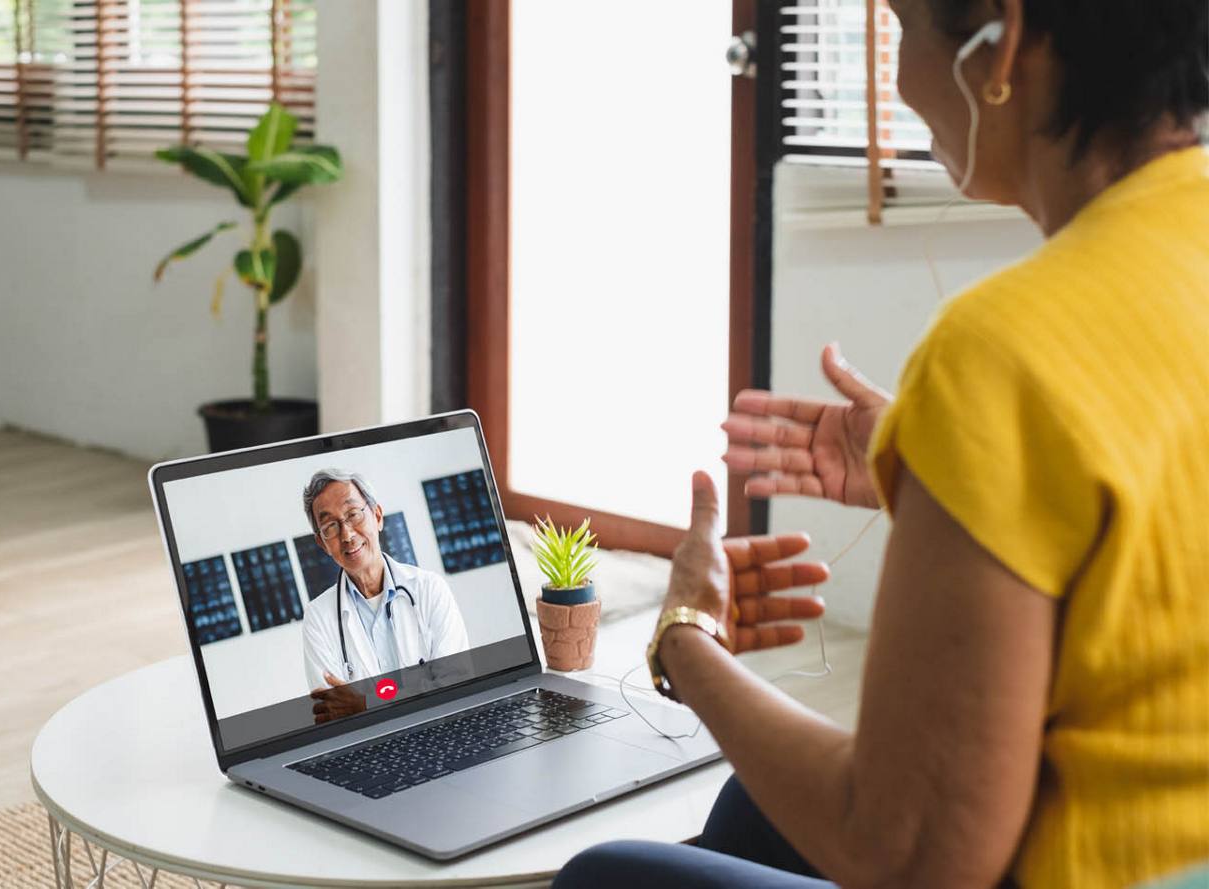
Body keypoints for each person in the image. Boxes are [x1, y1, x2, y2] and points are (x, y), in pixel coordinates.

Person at [555, 0, 1209, 886]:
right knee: (750, 811)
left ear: (1001, 40)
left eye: (904, 26)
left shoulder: (1005, 348)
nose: (898, 79)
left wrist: (686, 642)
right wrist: (951, 469)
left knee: (613, 875)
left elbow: (909, 854)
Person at [300, 469, 470, 704]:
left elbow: (456, 686)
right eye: (330, 526)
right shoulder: (318, 618)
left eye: (353, 514)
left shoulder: (429, 588)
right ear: (322, 544)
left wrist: (366, 705)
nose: (347, 534)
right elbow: (333, 714)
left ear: (377, 516)